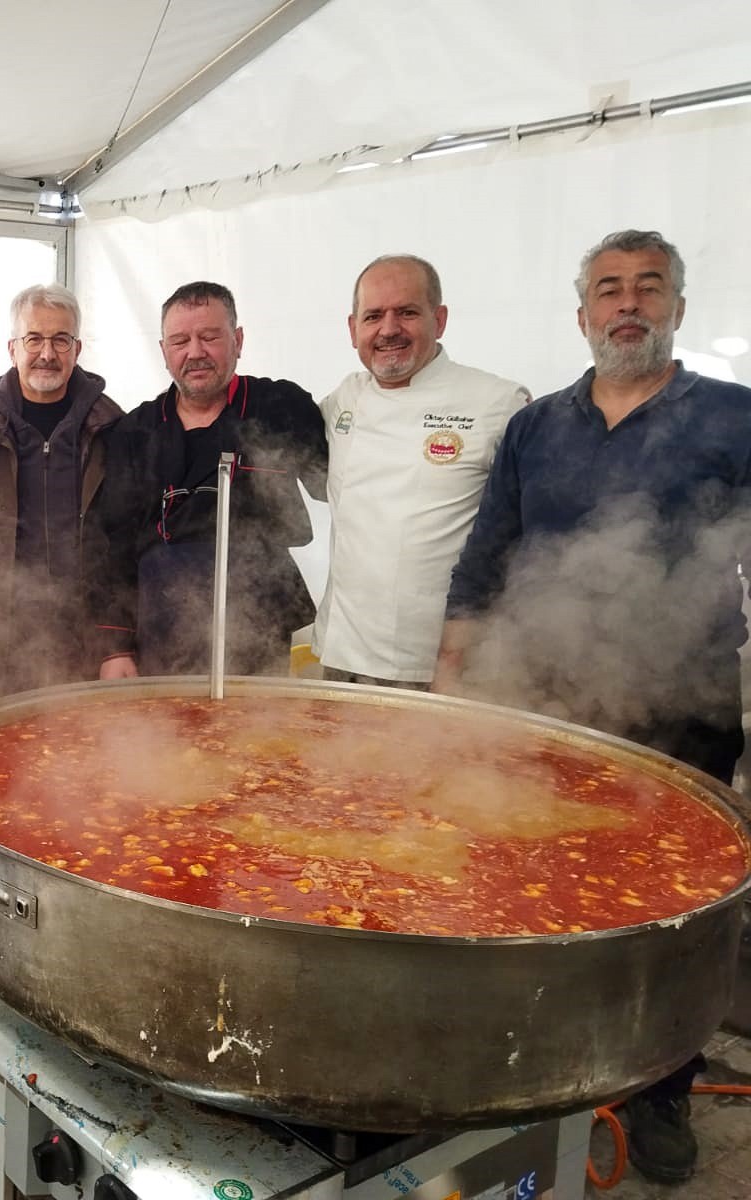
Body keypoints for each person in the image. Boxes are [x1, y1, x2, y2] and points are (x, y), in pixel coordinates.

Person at [438, 229, 751, 1184]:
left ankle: (659, 1093)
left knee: (671, 916)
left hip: (680, 708)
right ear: (581, 316)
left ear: (678, 309)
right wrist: (452, 682)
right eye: (609, 290)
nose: (629, 304)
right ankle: (543, 1063)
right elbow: (488, 555)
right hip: (545, 703)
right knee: (536, 884)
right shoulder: (537, 428)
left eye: (648, 288)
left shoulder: (737, 417)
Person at [89, 281, 326, 678]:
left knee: (258, 735)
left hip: (260, 624)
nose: (195, 352)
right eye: (180, 340)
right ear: (164, 351)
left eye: (210, 337)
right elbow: (111, 545)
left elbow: (343, 484)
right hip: (162, 625)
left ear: (238, 340)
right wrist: (114, 648)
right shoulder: (135, 431)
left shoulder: (283, 408)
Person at [312, 255, 529, 687]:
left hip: (440, 664)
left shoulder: (499, 403)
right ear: (353, 328)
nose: (388, 329)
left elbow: (523, 537)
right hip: (342, 657)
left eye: (407, 312)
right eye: (373, 316)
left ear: (440, 319)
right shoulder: (343, 400)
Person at [0, 284, 121, 701]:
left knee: (87, 758)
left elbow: (127, 545)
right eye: (34, 339)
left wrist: (118, 644)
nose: (47, 353)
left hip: (87, 646)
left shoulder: (116, 431)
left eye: (60, 339)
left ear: (77, 349)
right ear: (12, 348)